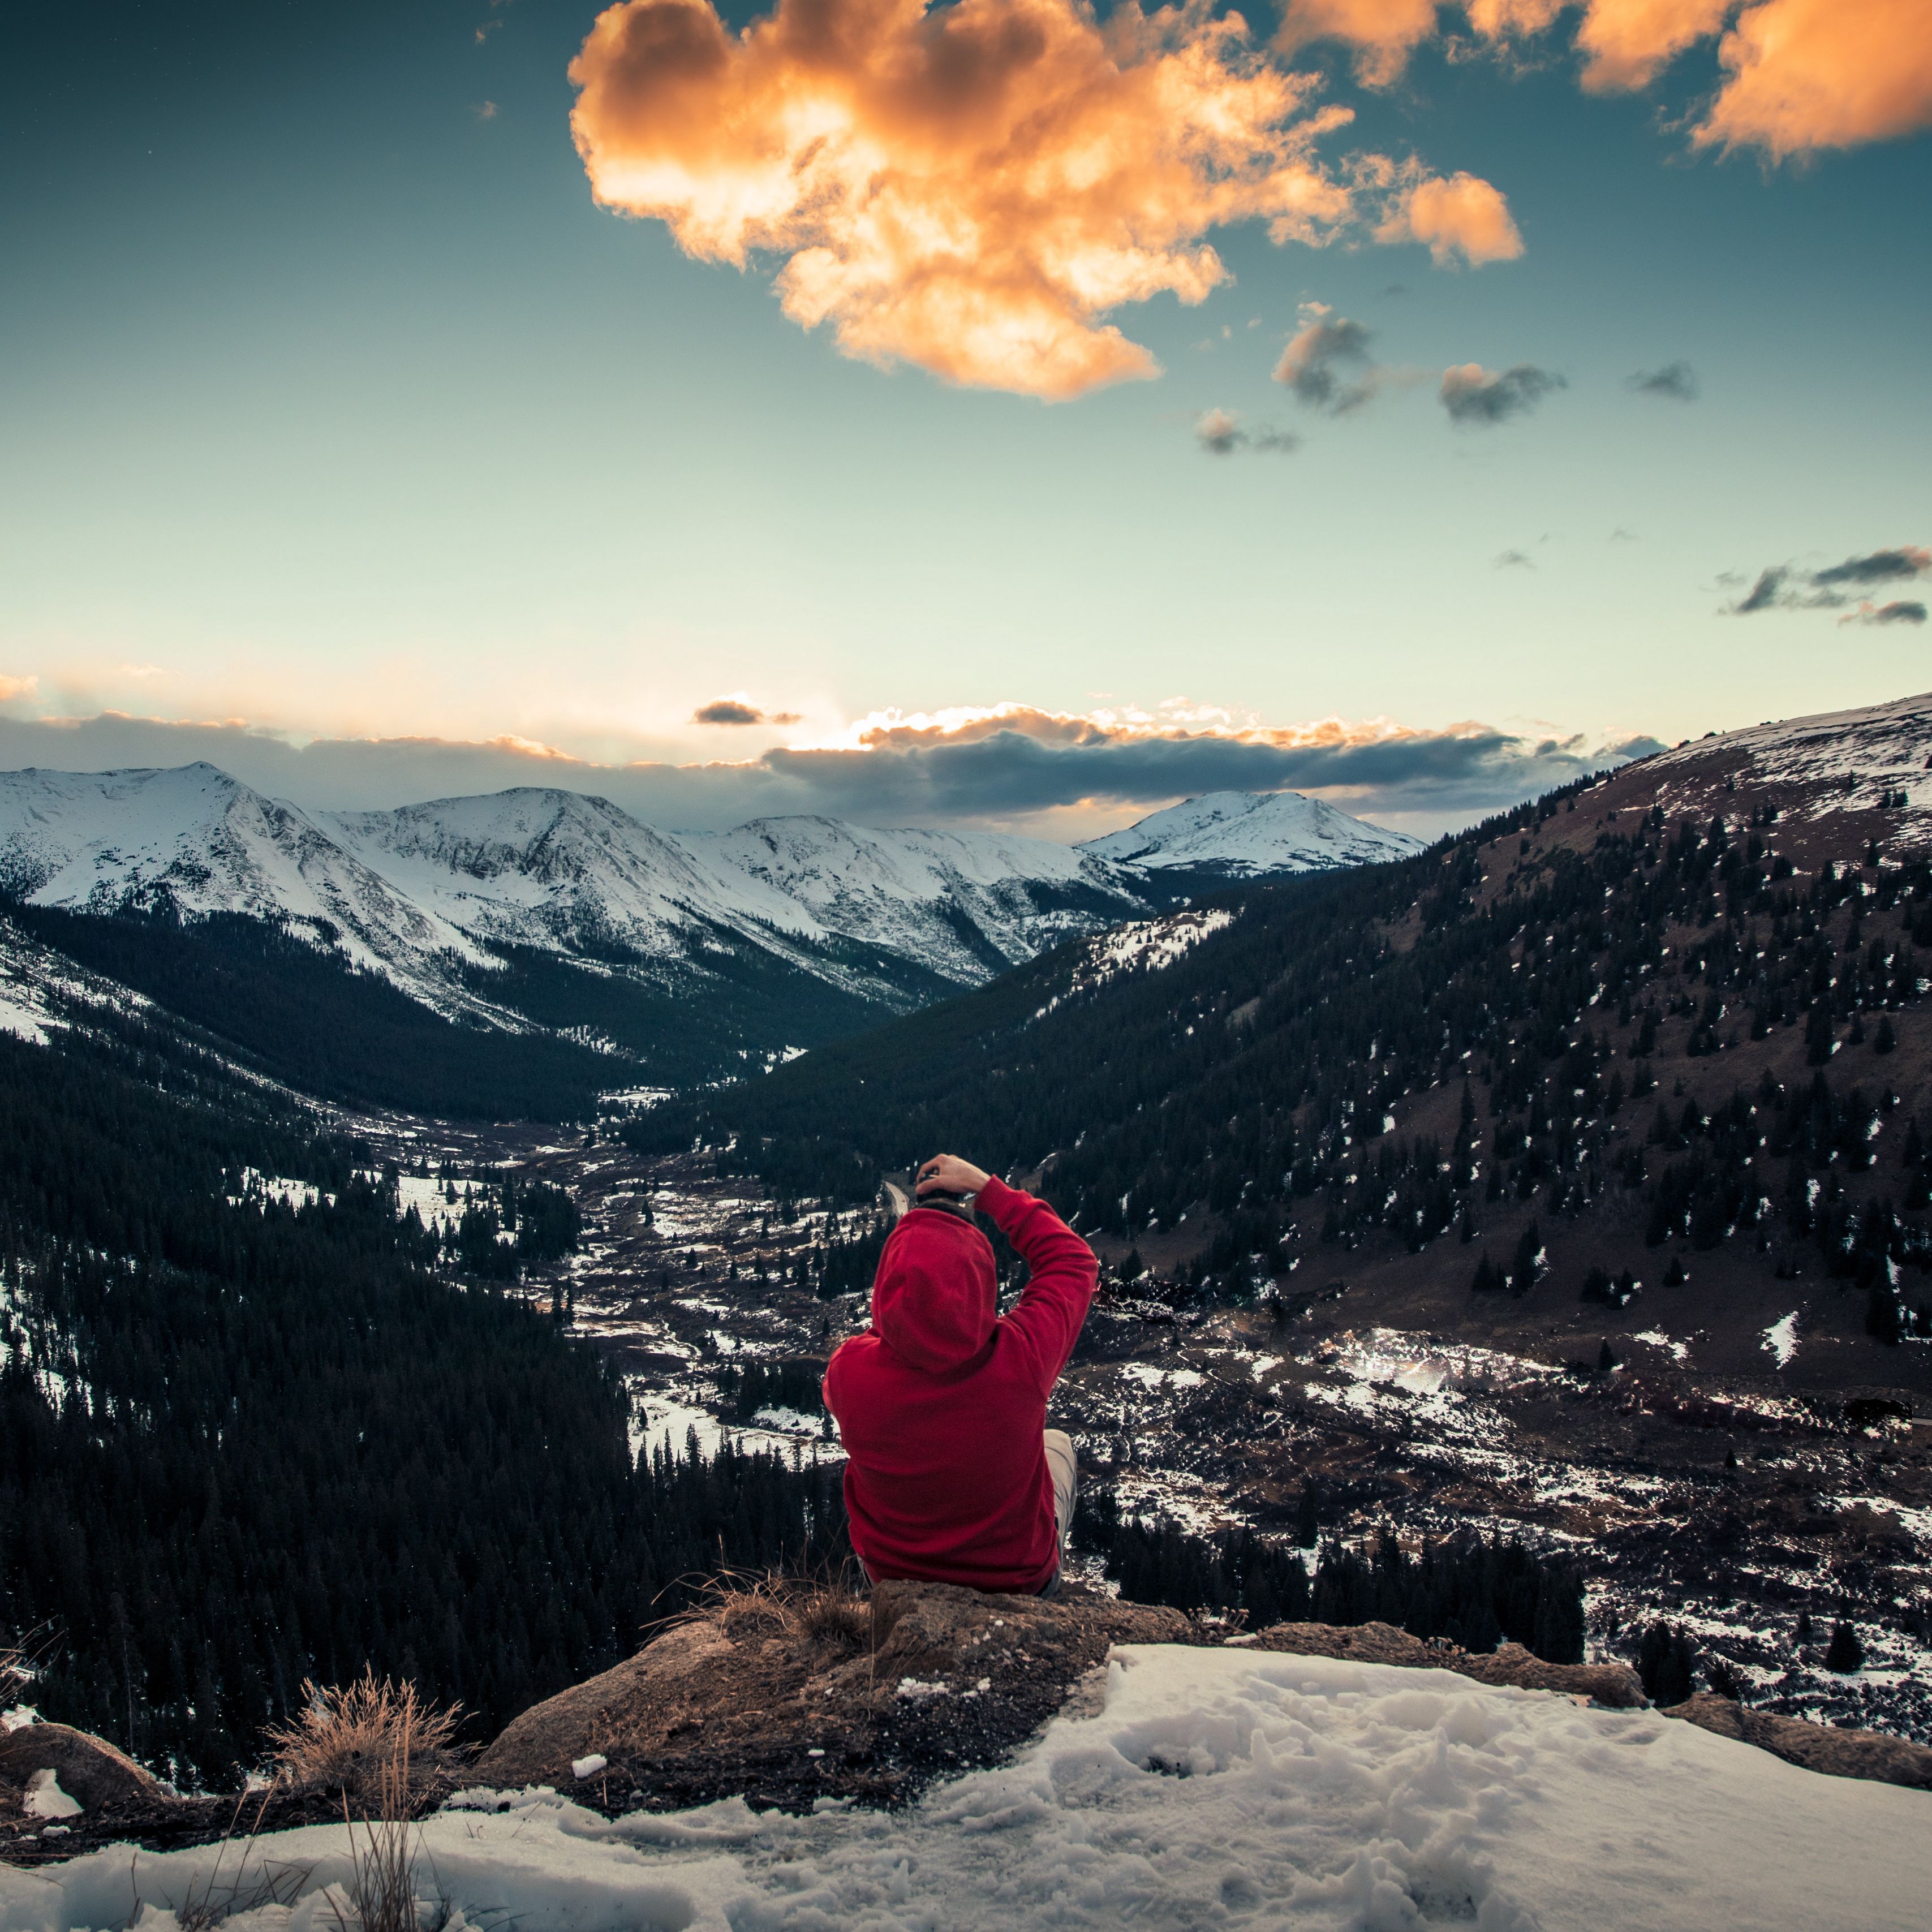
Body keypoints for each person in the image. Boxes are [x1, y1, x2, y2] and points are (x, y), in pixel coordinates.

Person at [822, 1152, 1098, 1596]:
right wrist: (990, 1190)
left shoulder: (848, 1372)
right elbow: (1072, 1261)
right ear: (981, 1280)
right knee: (1056, 1444)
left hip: (892, 1578)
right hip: (1019, 1583)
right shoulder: (1022, 1355)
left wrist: (903, 1310)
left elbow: (883, 1339)